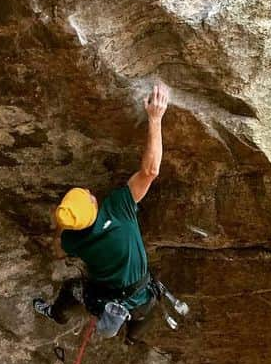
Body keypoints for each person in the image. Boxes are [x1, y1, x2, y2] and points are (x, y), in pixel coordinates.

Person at [34, 80, 170, 340]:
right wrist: (155, 118)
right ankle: (133, 338)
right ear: (94, 203)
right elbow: (150, 171)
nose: (89, 192)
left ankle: (57, 315)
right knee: (142, 310)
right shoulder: (118, 208)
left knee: (72, 289)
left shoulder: (73, 240)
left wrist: (63, 227)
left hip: (102, 296)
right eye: (87, 195)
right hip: (140, 294)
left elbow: (58, 251)